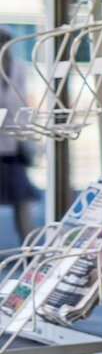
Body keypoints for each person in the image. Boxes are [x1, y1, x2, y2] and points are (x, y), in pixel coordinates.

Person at [0, 29, 37, 243]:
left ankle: (30, 248)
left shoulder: (17, 66)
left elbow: (21, 101)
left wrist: (26, 134)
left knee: (21, 198)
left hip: (13, 142)